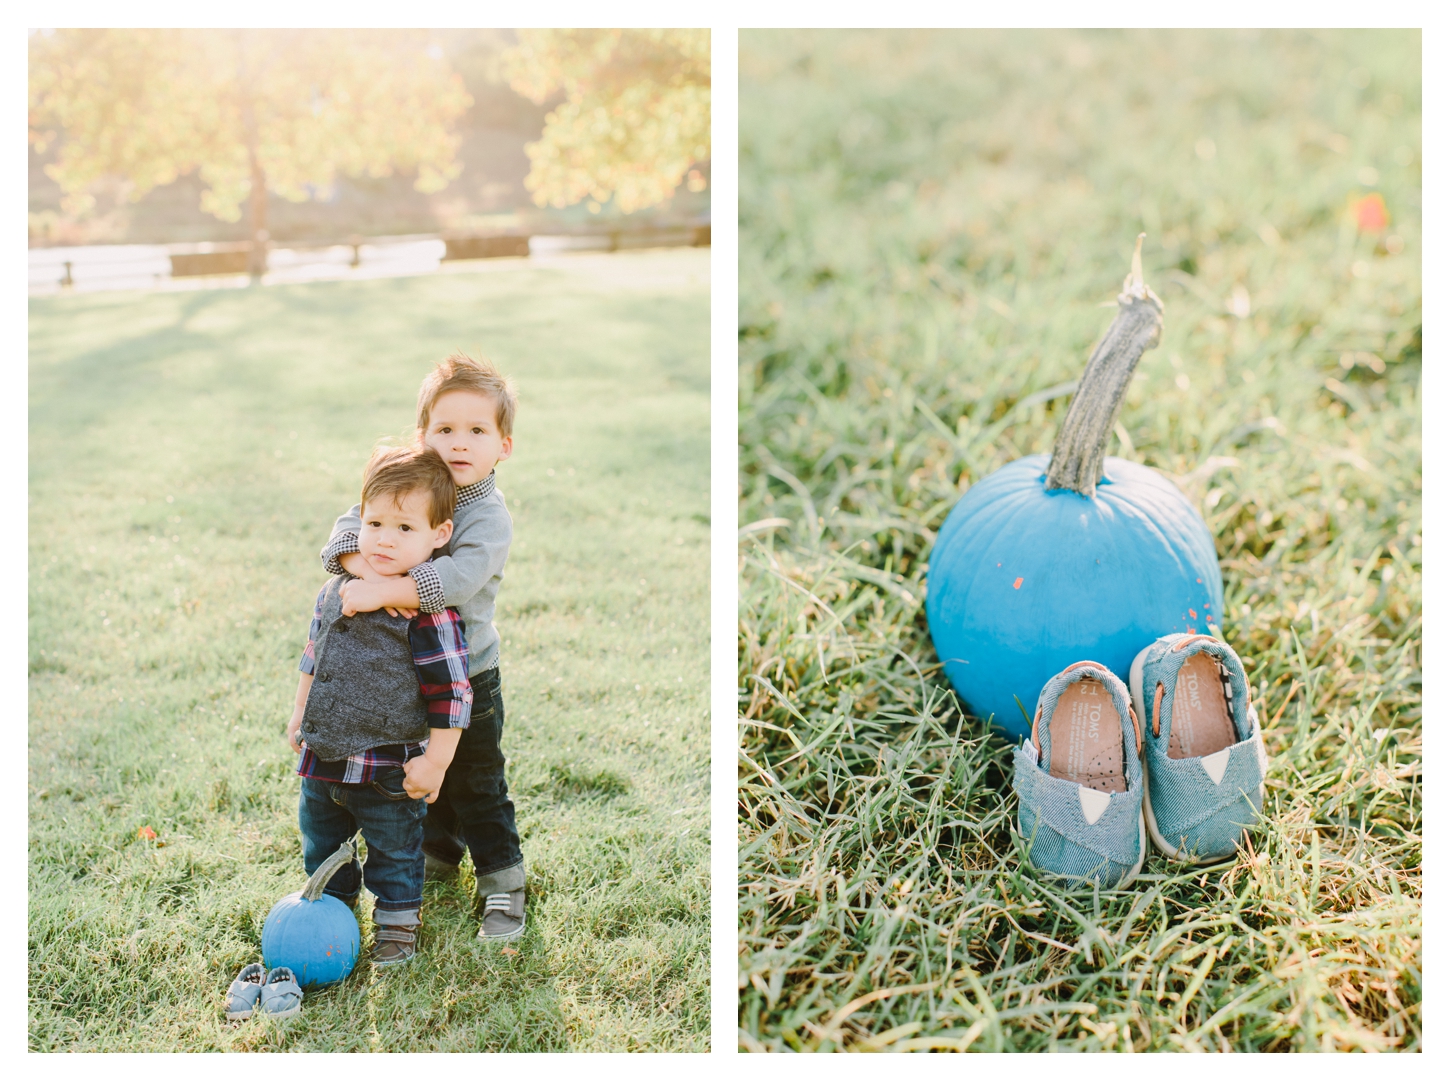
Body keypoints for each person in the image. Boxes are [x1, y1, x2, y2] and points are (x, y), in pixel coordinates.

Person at [320, 354, 526, 941]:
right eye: (445, 429)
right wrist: (363, 565)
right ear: (422, 434)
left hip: (468, 679)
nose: (459, 444)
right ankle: (439, 856)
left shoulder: (488, 517)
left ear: (503, 446)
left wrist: (385, 588)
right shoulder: (407, 482)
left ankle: (503, 882)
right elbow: (344, 531)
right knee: (418, 775)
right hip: (403, 676)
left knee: (476, 782)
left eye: (477, 431)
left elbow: (457, 580)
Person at [287, 444, 472, 965]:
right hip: (323, 755)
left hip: (387, 764)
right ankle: (333, 911)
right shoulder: (336, 590)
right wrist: (301, 712)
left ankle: (396, 925)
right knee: (321, 839)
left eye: (405, 529)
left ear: (440, 535)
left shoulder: (428, 614)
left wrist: (435, 762)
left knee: (394, 848)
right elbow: (313, 654)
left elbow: (452, 692)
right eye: (375, 523)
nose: (385, 541)